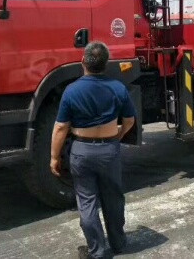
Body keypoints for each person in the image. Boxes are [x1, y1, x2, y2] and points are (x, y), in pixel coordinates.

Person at [50, 42, 136, 259]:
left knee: (87, 201)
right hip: (109, 149)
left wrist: (53, 157)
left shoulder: (72, 90)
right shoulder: (118, 88)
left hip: (81, 150)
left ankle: (96, 251)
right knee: (114, 198)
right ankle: (118, 243)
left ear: (83, 62)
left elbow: (61, 127)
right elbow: (129, 120)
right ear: (106, 64)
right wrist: (117, 136)